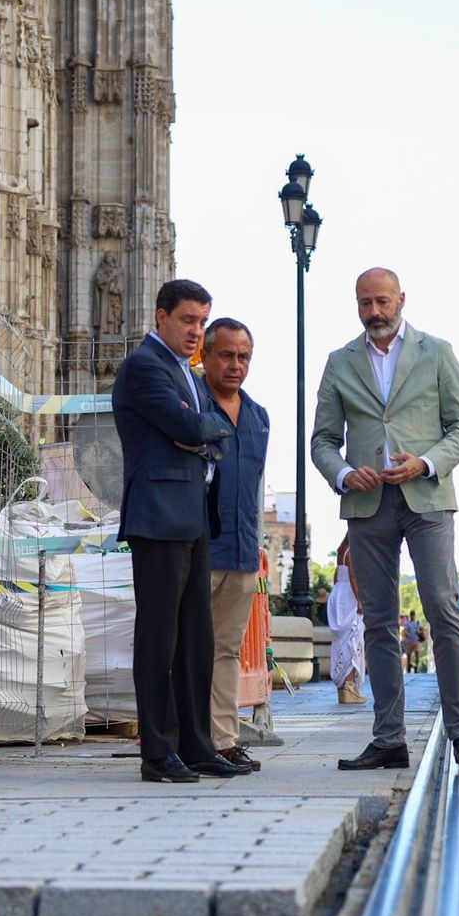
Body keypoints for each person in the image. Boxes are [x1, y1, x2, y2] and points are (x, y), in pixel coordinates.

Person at [311, 267, 459, 770]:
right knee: (378, 622)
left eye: (382, 301)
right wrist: (344, 473)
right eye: (365, 303)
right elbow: (323, 440)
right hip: (367, 504)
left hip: (427, 498)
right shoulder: (340, 361)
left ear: (401, 299)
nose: (374, 312)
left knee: (442, 608)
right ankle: (389, 738)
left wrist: (425, 462)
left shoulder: (437, 352)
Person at [111, 279, 248, 784]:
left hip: (192, 515)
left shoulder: (185, 373)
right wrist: (196, 429)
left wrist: (199, 430)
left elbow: (216, 431)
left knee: (195, 640)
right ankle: (158, 751)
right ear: (161, 316)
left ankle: (196, 745)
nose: (196, 331)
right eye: (188, 320)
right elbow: (193, 427)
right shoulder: (144, 366)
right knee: (159, 638)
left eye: (202, 322)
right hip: (158, 515)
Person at [201, 317, 270, 773]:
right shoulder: (191, 405)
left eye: (243, 356)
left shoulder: (259, 417)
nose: (236, 364)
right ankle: (181, 741)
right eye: (226, 355)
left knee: (225, 651)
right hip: (198, 549)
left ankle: (223, 742)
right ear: (205, 355)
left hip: (243, 553)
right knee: (186, 649)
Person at [328, 536, 367, 705]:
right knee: (353, 638)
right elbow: (353, 576)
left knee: (342, 641)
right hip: (349, 596)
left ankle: (344, 686)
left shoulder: (341, 551)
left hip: (339, 593)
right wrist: (359, 599)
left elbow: (337, 576)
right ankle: (349, 685)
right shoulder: (353, 551)